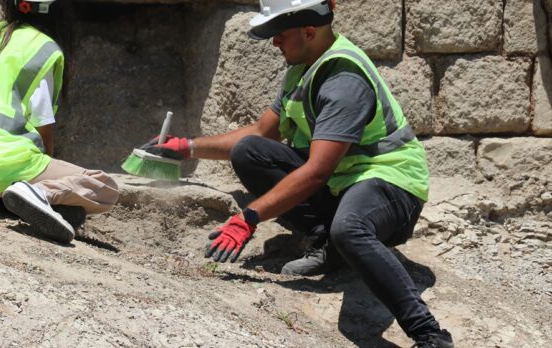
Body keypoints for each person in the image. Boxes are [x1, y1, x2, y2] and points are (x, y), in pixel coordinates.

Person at [142, 0, 453, 346]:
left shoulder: (343, 80)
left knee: (350, 228)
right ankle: (331, 245)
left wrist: (249, 218)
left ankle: (430, 334)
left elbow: (317, 172)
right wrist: (187, 147)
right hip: (344, 183)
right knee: (249, 153)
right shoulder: (304, 65)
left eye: (280, 33)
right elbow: (261, 133)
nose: (274, 41)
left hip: (390, 184)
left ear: (308, 31)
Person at [0, 0, 119, 244]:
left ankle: (27, 199)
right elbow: (43, 120)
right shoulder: (45, 47)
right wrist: (46, 164)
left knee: (65, 207)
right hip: (2, 164)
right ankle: (39, 193)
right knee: (106, 188)